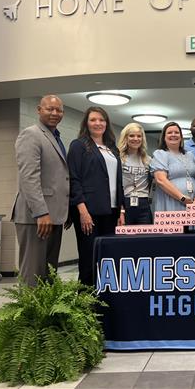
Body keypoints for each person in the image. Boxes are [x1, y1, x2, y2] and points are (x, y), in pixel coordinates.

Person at [11, 95, 69, 286]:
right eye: (49, 109)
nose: (54, 113)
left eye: (58, 110)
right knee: (33, 276)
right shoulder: (31, 134)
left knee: (48, 274)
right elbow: (29, 177)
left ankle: (46, 316)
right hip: (36, 218)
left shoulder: (56, 137)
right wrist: (41, 212)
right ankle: (29, 316)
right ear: (38, 110)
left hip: (53, 217)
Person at [67, 107, 124, 286]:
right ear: (86, 123)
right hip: (89, 212)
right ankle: (85, 305)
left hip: (111, 211)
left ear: (107, 123)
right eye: (93, 120)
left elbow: (118, 182)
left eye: (101, 120)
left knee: (107, 260)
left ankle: (103, 301)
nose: (98, 123)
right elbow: (73, 179)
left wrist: (121, 210)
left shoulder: (112, 149)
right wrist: (82, 210)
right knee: (89, 260)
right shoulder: (79, 145)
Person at [151, 122, 195, 211]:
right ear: (164, 137)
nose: (173, 135)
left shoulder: (189, 155)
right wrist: (182, 197)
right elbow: (160, 180)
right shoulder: (160, 154)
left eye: (176, 132)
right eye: (169, 132)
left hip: (193, 203)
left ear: (181, 136)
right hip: (170, 201)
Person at [118, 122, 153, 225]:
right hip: (125, 202)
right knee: (125, 238)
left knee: (144, 237)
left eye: (139, 136)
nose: (136, 139)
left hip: (144, 203)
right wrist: (121, 210)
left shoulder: (148, 160)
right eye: (131, 135)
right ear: (125, 138)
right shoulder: (118, 158)